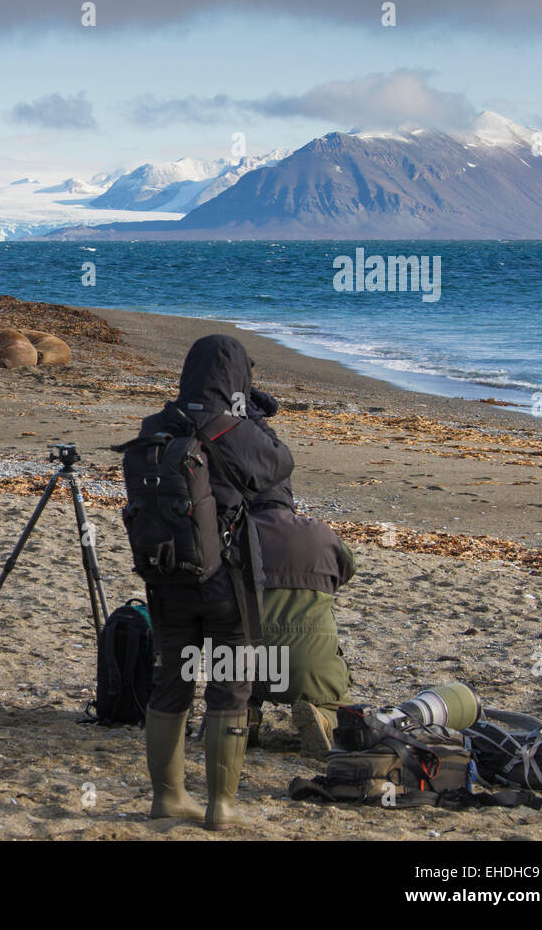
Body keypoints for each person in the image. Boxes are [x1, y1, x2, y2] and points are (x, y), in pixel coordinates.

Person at [137, 334, 294, 830]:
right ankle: (221, 806)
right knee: (230, 690)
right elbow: (279, 467)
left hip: (167, 578)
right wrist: (252, 418)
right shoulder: (234, 430)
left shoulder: (155, 426)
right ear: (236, 380)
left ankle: (168, 798)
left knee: (171, 684)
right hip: (229, 582)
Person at [248, 508, 356, 757]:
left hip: (242, 663)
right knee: (342, 706)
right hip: (308, 664)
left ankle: (241, 717)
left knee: (230, 691)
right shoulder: (318, 532)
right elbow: (347, 567)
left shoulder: (234, 530)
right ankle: (326, 718)